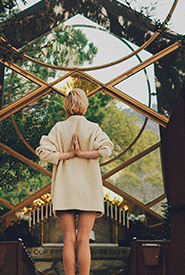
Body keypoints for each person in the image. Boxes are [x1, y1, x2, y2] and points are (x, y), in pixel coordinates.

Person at [35, 88, 114, 275]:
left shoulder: (59, 128)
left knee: (68, 239)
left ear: (67, 106)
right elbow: (106, 150)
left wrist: (67, 155)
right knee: (84, 240)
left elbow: (42, 152)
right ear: (85, 104)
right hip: (89, 190)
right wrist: (83, 154)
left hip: (65, 190)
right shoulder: (93, 128)